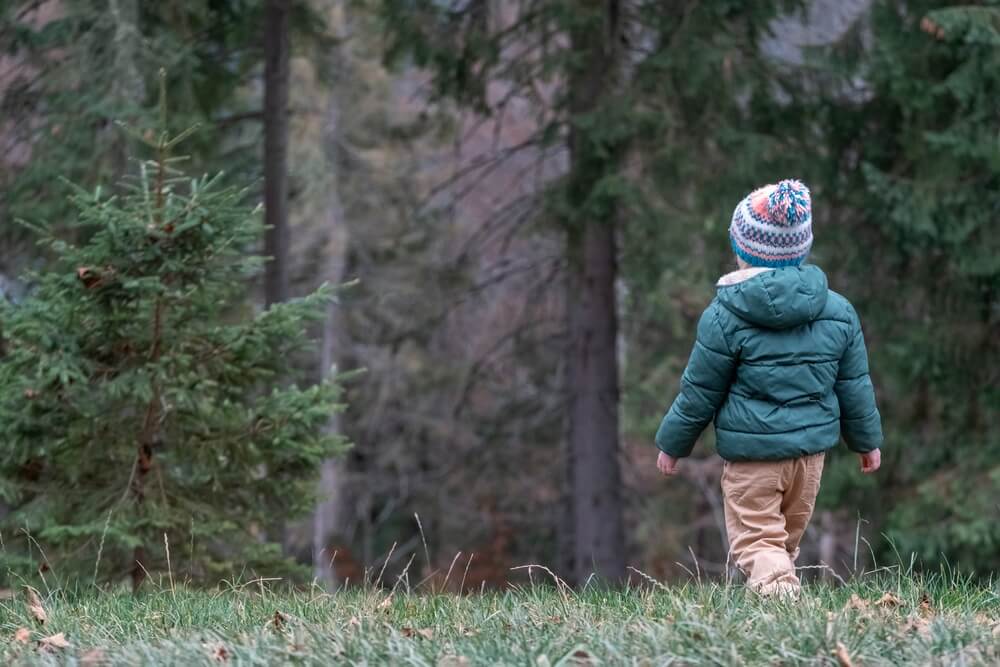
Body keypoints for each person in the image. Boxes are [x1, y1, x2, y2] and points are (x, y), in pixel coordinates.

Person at [654, 179, 883, 597]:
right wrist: (867, 442)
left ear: (742, 250)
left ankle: (786, 612)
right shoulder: (838, 311)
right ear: (803, 247)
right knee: (779, 547)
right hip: (810, 460)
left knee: (759, 544)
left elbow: (699, 393)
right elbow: (855, 386)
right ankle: (778, 604)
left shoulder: (724, 316)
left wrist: (673, 444)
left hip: (753, 459)